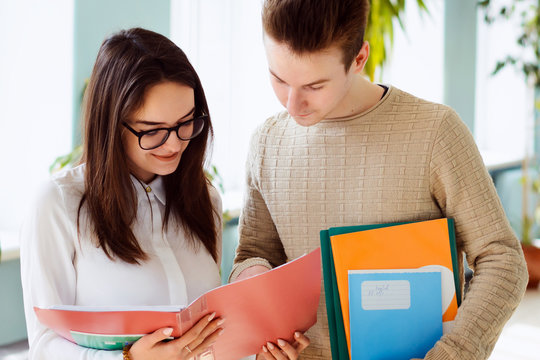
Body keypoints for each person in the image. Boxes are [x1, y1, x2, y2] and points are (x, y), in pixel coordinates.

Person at [230, 1, 528, 359]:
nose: (293, 105)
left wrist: (452, 354)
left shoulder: (435, 132)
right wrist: (256, 292)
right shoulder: (267, 142)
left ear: (359, 59)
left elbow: (503, 260)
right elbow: (254, 254)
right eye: (278, 78)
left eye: (314, 85)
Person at [20, 28, 225, 360]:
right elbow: (44, 345)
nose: (175, 144)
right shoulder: (58, 205)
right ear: (111, 123)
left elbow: (208, 339)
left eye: (186, 122)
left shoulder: (205, 199)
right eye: (153, 131)